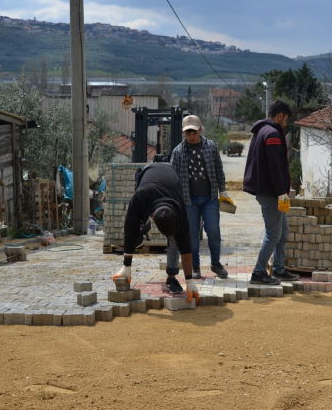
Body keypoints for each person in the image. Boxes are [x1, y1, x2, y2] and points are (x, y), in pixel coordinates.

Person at [113, 162, 199, 300]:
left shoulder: (181, 211)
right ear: (153, 217)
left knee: (175, 240)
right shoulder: (140, 196)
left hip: (171, 174)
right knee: (136, 226)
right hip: (147, 173)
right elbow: (129, 229)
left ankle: (171, 277)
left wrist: (189, 281)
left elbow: (185, 248)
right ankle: (143, 221)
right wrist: (126, 266)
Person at [243, 100, 300, 285]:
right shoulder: (273, 134)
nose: (285, 124)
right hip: (271, 193)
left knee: (282, 232)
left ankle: (279, 268)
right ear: (281, 116)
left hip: (271, 191)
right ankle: (258, 272)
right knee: (273, 234)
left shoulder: (263, 130)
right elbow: (275, 166)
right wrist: (281, 191)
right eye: (285, 120)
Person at [170, 114, 232, 279]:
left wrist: (223, 189)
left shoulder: (211, 147)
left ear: (200, 130)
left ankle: (216, 264)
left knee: (213, 231)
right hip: (188, 200)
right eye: (188, 133)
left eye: (194, 132)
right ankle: (195, 267)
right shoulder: (178, 152)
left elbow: (219, 169)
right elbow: (173, 177)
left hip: (209, 198)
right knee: (192, 234)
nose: (191, 136)